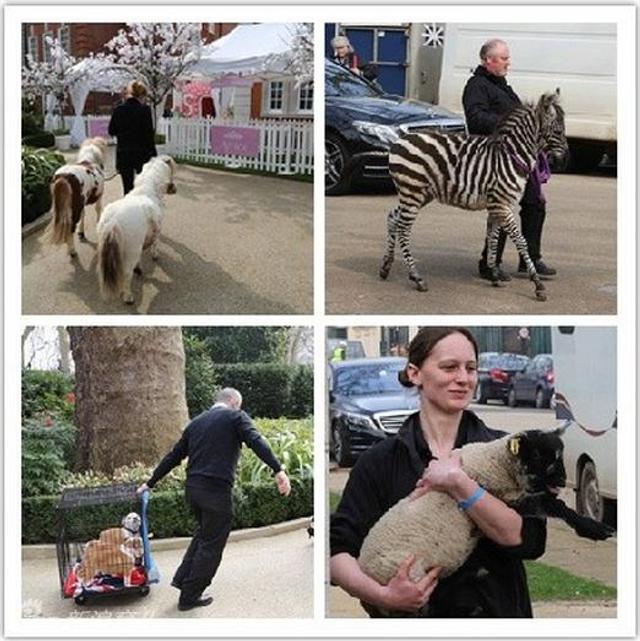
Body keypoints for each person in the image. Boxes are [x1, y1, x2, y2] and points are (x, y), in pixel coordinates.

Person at [330, 327, 547, 617]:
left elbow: (531, 541)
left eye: (470, 368)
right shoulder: (379, 462)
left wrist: (459, 483)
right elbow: (337, 552)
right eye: (449, 367)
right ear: (415, 374)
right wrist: (385, 596)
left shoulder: (507, 453)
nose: (463, 378)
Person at [137, 387, 291, 611]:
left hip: (193, 491)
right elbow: (256, 441)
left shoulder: (196, 423)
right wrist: (278, 470)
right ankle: (190, 596)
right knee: (212, 544)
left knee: (203, 535)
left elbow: (173, 456)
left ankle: (183, 580)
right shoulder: (235, 416)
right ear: (234, 402)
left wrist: (150, 483)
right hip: (215, 491)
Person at [462, 39, 557, 281]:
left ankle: (531, 260)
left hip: (519, 161)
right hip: (494, 160)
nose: (508, 63)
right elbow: (475, 119)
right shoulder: (477, 85)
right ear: (488, 60)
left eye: (507, 58)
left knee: (535, 205)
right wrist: (512, 125)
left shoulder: (503, 86)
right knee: (502, 210)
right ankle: (489, 263)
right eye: (504, 58)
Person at [108, 80, 157, 195]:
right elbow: (149, 135)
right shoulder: (145, 110)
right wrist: (154, 154)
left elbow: (111, 131)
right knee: (142, 188)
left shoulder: (118, 109)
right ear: (142, 95)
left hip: (124, 154)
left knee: (127, 189)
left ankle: (128, 210)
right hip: (142, 154)